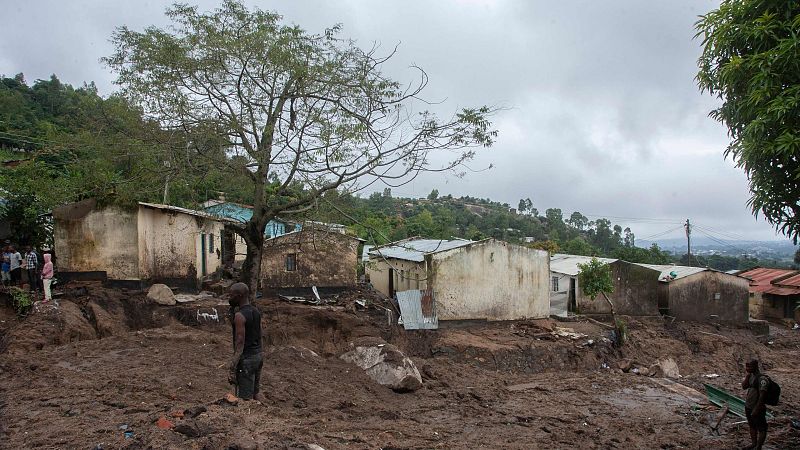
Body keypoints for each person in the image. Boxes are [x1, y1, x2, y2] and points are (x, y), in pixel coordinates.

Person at [227, 282, 263, 401]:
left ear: (239, 296)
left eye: (231, 295)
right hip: (257, 356)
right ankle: (264, 410)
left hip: (246, 360)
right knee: (255, 393)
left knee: (245, 399)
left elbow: (240, 342)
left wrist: (233, 367)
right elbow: (259, 335)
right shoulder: (255, 311)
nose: (229, 298)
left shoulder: (240, 316)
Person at [742, 359, 769, 450]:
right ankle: (754, 443)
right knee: (752, 425)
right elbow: (744, 386)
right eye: (746, 366)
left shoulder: (762, 379)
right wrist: (747, 376)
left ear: (755, 366)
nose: (747, 368)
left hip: (757, 407)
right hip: (749, 406)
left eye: (749, 366)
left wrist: (757, 408)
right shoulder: (751, 376)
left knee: (761, 428)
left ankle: (759, 446)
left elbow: (762, 396)